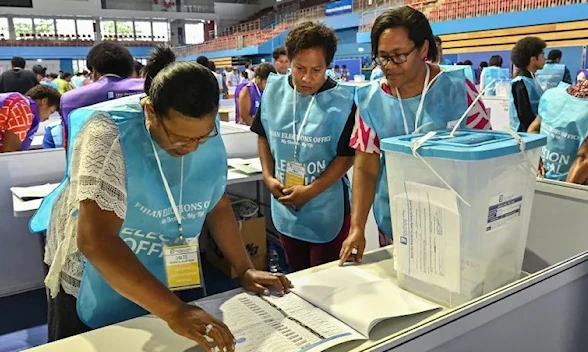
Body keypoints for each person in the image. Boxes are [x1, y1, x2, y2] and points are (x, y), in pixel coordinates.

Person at [30, 45, 292, 347]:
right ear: (150, 111)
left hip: (158, 255)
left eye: (201, 138)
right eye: (179, 138)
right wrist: (175, 311)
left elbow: (216, 203)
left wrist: (245, 268)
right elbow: (96, 242)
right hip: (95, 266)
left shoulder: (201, 125)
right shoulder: (106, 133)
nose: (192, 147)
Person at [341, 6, 491, 262]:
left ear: (423, 49)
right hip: (396, 222)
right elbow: (366, 169)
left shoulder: (457, 89)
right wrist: (357, 227)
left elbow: (485, 155)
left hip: (453, 221)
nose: (389, 66)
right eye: (382, 57)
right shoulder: (370, 100)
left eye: (399, 56)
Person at [251, 22, 356, 271]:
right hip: (285, 204)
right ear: (289, 61)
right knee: (296, 274)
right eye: (299, 68)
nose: (307, 78)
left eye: (316, 70)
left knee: (326, 278)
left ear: (328, 67)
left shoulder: (343, 101)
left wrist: (310, 191)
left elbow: (346, 157)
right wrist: (267, 176)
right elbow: (264, 136)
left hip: (326, 208)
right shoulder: (274, 90)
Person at [527, 57, 588, 186]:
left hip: (539, 176)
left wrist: (535, 155)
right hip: (576, 189)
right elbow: (585, 158)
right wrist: (564, 198)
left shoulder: (555, 94)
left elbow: (533, 129)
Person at [59, 41, 145, 150]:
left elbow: (70, 143)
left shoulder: (70, 99)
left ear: (94, 72)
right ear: (130, 70)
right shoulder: (149, 88)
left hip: (93, 161)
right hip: (147, 161)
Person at [0, 85, 60, 152]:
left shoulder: (15, 100)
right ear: (44, 101)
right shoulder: (23, 110)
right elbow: (10, 154)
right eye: (51, 112)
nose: (47, 118)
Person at [509, 36, 546, 132]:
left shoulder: (533, 79)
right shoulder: (520, 83)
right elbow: (524, 115)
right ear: (533, 59)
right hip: (524, 135)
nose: (545, 59)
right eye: (542, 55)